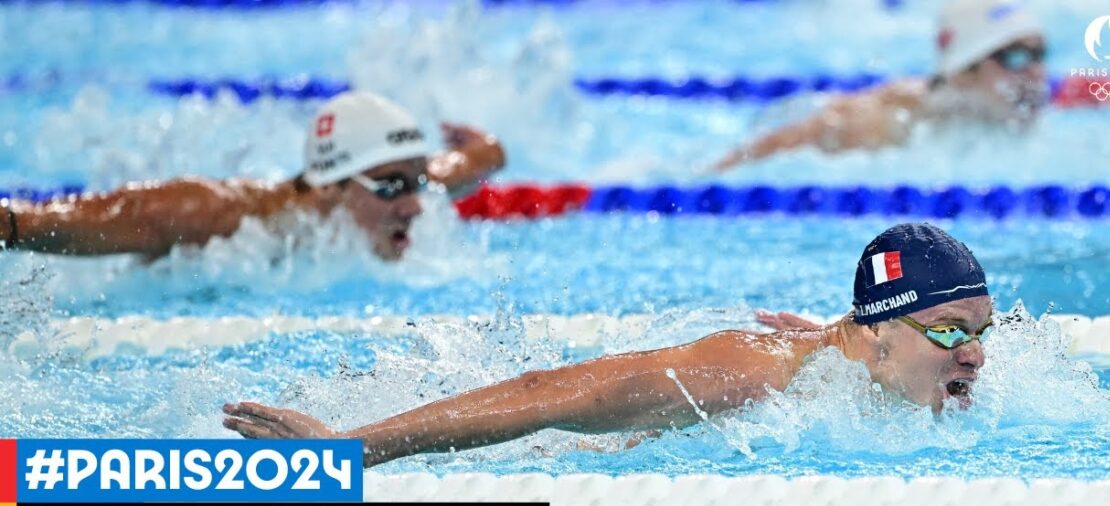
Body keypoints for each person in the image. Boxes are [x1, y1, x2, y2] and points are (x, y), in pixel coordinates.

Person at [223, 223, 993, 462]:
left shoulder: (867, 352)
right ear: (878, 332)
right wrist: (355, 448)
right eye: (951, 331)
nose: (976, 356)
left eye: (981, 332)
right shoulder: (752, 374)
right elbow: (555, 394)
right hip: (528, 457)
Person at [0, 91, 505, 260]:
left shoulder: (395, 188)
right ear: (330, 186)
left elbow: (475, 161)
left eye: (418, 181)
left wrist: (485, 149)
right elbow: (97, 216)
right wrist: (14, 224)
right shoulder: (226, 217)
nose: (416, 204)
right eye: (394, 187)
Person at [713, 0, 1047, 169]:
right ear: (964, 71)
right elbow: (771, 150)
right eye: (1015, 57)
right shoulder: (891, 119)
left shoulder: (1001, 118)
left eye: (1039, 54)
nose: (1035, 72)